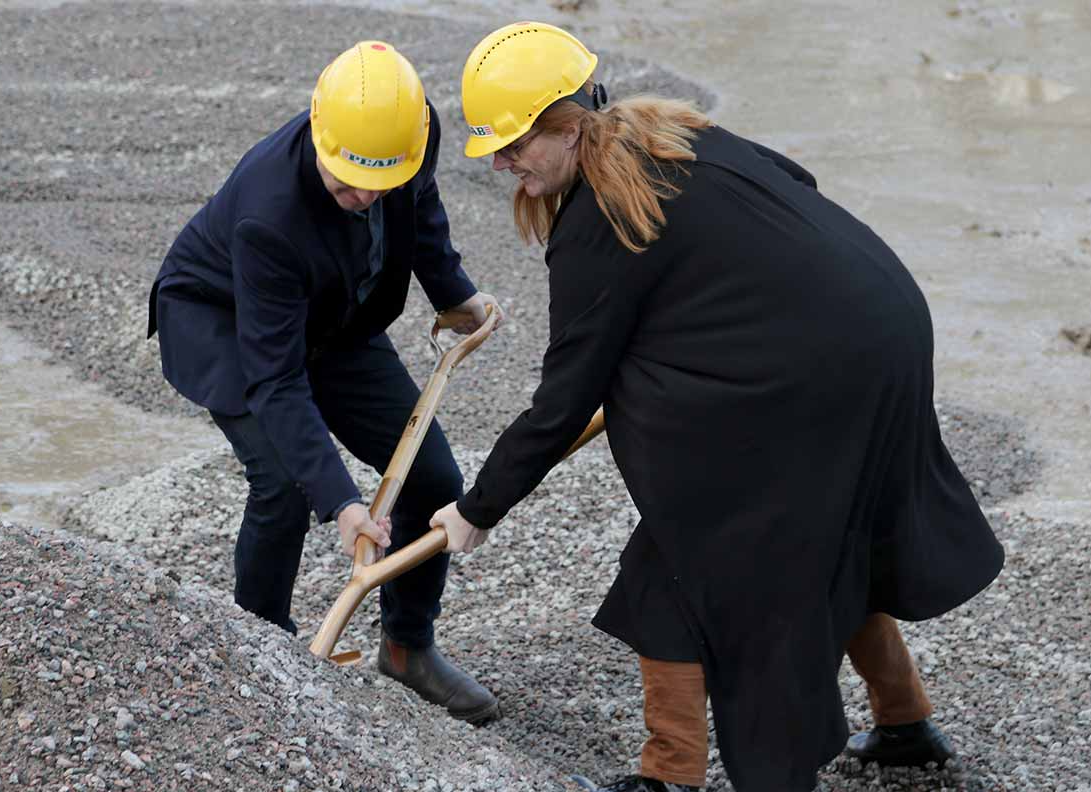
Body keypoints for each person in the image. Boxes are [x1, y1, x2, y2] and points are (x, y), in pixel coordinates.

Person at [430, 21, 1004, 789]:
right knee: (841, 529)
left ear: (567, 125)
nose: (502, 163)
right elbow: (795, 181)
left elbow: (564, 396)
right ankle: (905, 722)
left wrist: (478, 508)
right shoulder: (673, 131)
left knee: (676, 558)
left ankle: (670, 772)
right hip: (886, 324)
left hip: (819, 373)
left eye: (514, 144)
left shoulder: (601, 220)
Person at [148, 40, 503, 725]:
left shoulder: (406, 132)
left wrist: (454, 295)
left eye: (378, 181)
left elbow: (421, 216)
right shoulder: (268, 214)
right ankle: (260, 652)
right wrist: (342, 503)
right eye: (346, 184)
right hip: (223, 317)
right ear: (319, 133)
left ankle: (407, 649)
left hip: (334, 312)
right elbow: (278, 380)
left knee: (433, 475)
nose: (365, 195)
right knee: (284, 482)